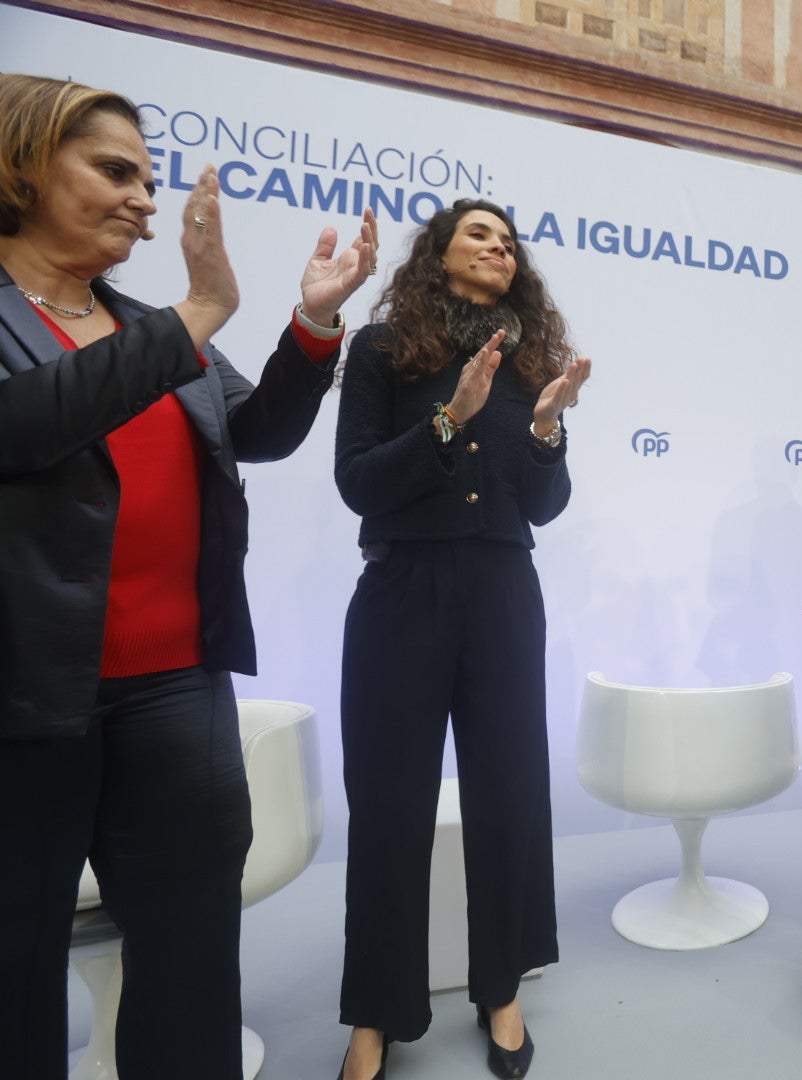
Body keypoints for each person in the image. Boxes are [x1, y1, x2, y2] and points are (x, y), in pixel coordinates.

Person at [0, 74, 376, 1080]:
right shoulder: (158, 327)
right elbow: (25, 425)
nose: (143, 201)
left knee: (192, 964)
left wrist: (313, 325)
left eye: (149, 181)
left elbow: (258, 429)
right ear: (23, 164)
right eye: (114, 172)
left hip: (178, 687)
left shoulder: (151, 325)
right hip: (26, 702)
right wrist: (200, 309)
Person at [334, 198, 589, 1080]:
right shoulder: (380, 350)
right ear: (437, 252)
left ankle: (501, 989)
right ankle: (376, 1013)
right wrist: (450, 416)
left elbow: (543, 509)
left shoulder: (531, 368)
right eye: (480, 234)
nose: (498, 248)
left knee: (509, 797)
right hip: (401, 591)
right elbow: (358, 483)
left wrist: (547, 430)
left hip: (504, 595)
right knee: (388, 807)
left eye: (509, 242)